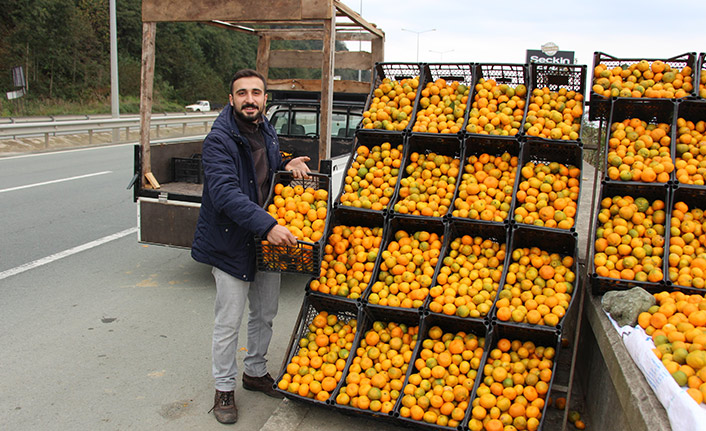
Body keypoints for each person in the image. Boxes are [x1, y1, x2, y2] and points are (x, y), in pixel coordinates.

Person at [191, 69, 311, 424]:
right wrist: (269, 225)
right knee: (228, 321)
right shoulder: (218, 140)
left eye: (256, 93)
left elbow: (267, 167)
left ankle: (255, 372)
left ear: (264, 99)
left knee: (265, 313)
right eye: (242, 93)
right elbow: (226, 193)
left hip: (263, 243)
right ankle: (224, 388)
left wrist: (286, 163)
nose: (249, 99)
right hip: (231, 240)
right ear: (231, 100)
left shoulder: (265, 130)